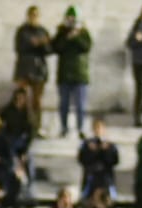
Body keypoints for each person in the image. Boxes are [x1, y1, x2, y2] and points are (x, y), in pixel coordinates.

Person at [51, 6, 91, 139]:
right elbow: (56, 48)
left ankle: (80, 128)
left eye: (73, 17)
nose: (71, 20)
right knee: (64, 105)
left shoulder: (83, 32)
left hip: (80, 75)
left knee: (80, 105)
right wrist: (67, 37)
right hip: (64, 75)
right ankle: (63, 128)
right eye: (69, 17)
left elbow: (86, 47)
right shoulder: (61, 32)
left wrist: (76, 36)